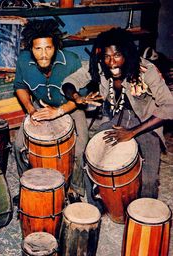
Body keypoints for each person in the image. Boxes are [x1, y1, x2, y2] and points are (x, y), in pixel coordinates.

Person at [62, 27, 173, 200]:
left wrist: (132, 132)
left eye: (117, 56)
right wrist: (76, 97)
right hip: (116, 118)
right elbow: (70, 81)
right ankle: (95, 206)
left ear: (127, 54)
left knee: (149, 178)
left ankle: (142, 216)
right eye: (107, 56)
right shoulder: (99, 66)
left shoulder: (146, 70)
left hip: (145, 121)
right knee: (90, 157)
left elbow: (169, 106)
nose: (111, 62)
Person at [13, 19, 102, 204]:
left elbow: (81, 98)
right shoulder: (23, 60)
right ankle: (28, 184)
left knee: (79, 148)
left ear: (56, 47)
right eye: (38, 49)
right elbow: (20, 86)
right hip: (39, 105)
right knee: (19, 145)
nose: (44, 54)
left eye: (48, 48)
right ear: (31, 48)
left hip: (70, 106)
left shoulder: (71, 60)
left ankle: (74, 189)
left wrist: (59, 111)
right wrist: (30, 109)